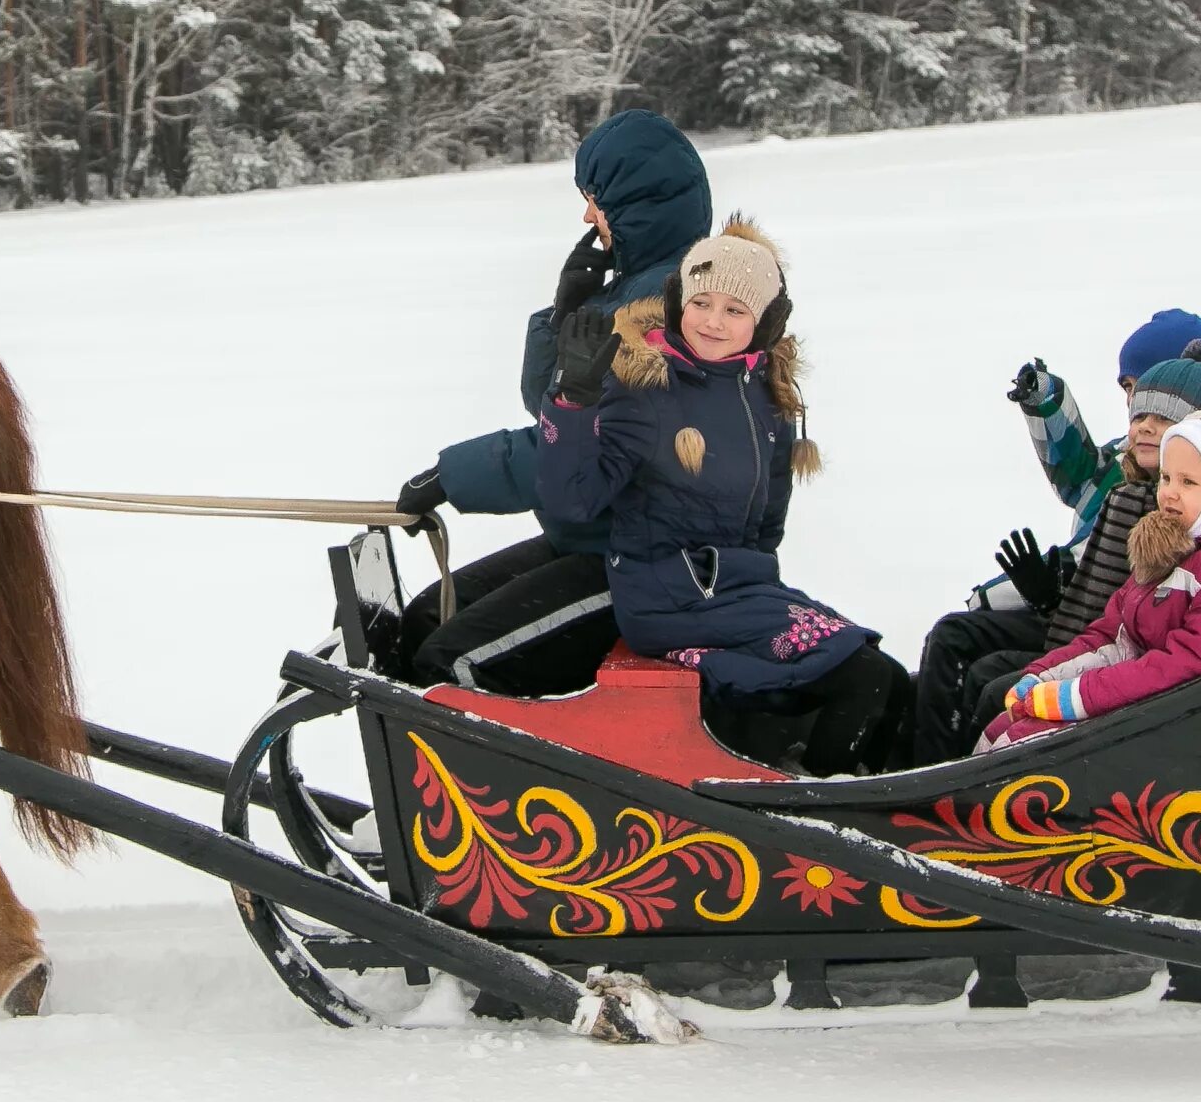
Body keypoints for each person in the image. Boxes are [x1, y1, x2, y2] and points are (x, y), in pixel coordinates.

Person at [531, 221, 907, 775]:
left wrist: (755, 591)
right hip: (671, 599)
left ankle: (880, 800)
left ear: (763, 322)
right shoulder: (647, 388)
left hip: (736, 590)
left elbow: (766, 524)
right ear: (680, 300)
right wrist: (573, 400)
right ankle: (827, 814)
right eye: (702, 301)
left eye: (735, 310)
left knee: (891, 681)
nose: (713, 321)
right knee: (865, 679)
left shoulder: (764, 396)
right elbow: (572, 500)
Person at [377, 110, 710, 693]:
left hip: (652, 563)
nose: (587, 216)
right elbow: (551, 409)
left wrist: (457, 477)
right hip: (597, 541)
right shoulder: (634, 291)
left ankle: (469, 788)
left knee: (451, 667)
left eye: (596, 200)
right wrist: (565, 316)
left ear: (640, 205)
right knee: (427, 622)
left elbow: (598, 445)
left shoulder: (676, 311)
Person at [910, 332, 1201, 763]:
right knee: (955, 636)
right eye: (1136, 406)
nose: (1139, 421)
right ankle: (924, 767)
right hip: (1077, 624)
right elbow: (1078, 475)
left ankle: (950, 784)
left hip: (1109, 649)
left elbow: (1141, 616)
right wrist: (1049, 591)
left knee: (993, 685)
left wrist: (1052, 591)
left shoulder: (1179, 504)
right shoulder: (1129, 484)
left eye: (1160, 417)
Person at [981, 388, 1201, 749]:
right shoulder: (1178, 542)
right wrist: (1044, 676)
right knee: (1004, 724)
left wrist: (1076, 696)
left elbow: (1185, 666)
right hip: (1147, 706)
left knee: (1015, 743)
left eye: (1188, 482)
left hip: (1181, 726)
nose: (1168, 492)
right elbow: (1112, 633)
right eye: (1167, 478)